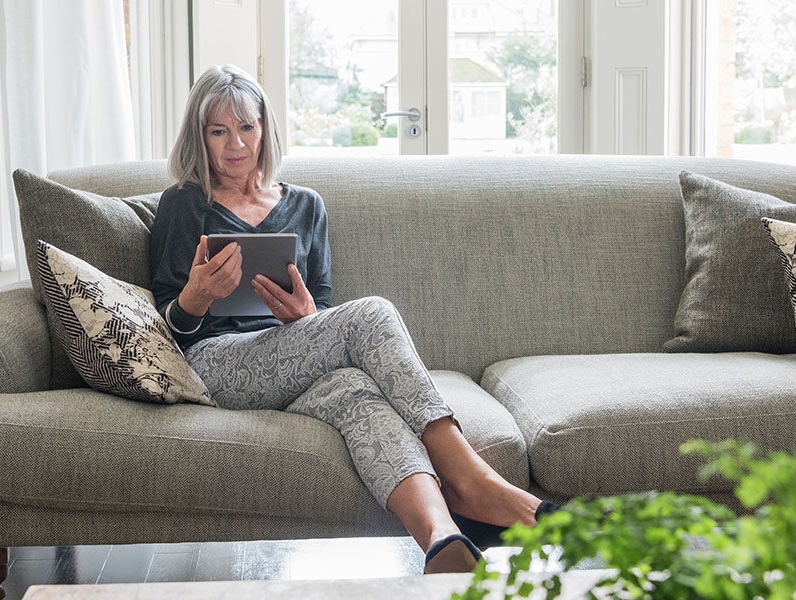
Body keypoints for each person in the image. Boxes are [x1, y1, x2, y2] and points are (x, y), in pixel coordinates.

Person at [149, 64, 558, 574]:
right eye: (219, 131)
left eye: (247, 127)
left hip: (298, 362)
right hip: (218, 365)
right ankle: (469, 477)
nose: (236, 143)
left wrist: (306, 316)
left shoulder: (305, 206)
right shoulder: (185, 205)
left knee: (355, 394)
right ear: (200, 138)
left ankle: (442, 539)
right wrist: (196, 296)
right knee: (372, 315)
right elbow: (168, 325)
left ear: (265, 129)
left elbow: (322, 310)